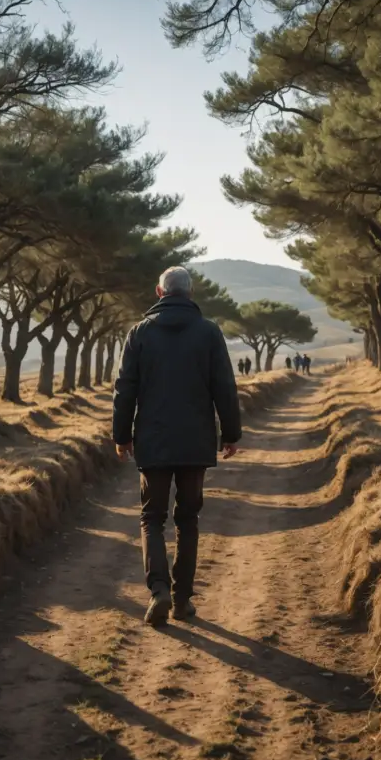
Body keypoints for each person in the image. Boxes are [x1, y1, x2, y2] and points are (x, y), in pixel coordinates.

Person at [113, 266, 242, 627]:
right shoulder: (209, 332)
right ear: (191, 293)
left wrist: (121, 435)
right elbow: (224, 386)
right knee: (188, 519)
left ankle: (159, 592)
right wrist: (230, 433)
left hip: (152, 440)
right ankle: (182, 600)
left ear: (159, 291)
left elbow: (126, 388)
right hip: (196, 440)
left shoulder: (139, 333)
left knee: (152, 518)